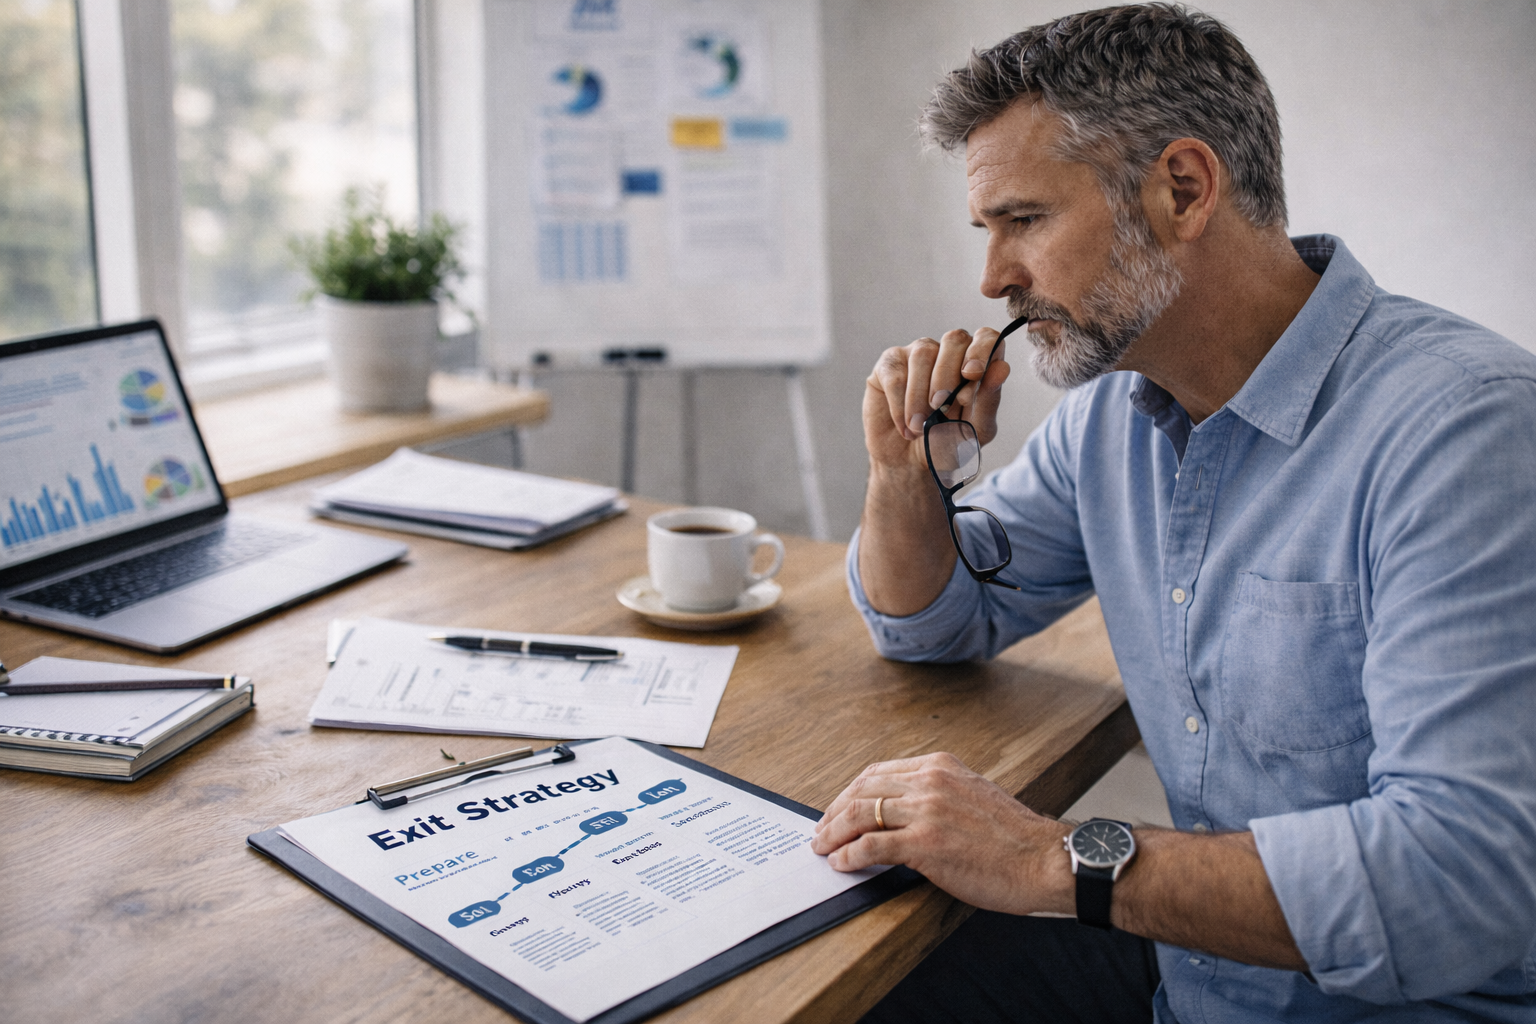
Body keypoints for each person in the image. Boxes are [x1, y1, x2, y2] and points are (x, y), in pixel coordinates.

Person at [808, 5, 1536, 1022]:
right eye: (988, 230)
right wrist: (905, 475)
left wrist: (1052, 855)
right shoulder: (1110, 411)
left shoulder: (1469, 432)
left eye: (1024, 220)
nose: (992, 278)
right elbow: (936, 620)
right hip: (1192, 977)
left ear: (1183, 190)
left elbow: (1467, 875)